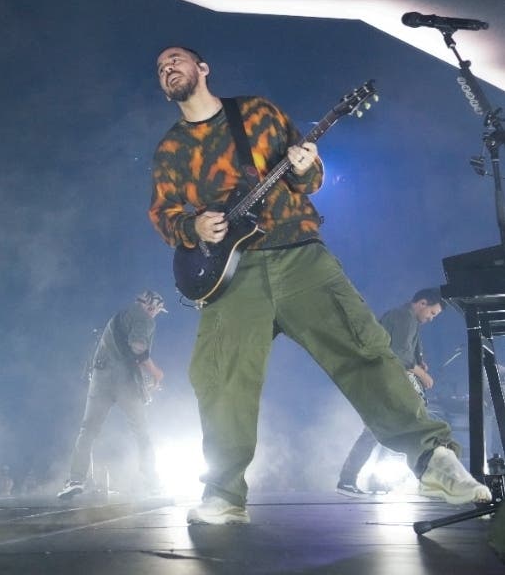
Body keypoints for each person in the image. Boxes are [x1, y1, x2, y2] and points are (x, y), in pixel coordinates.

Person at [148, 45, 490, 525]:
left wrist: (309, 165)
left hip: (298, 254)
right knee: (219, 376)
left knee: (364, 348)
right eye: (161, 66)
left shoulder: (257, 113)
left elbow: (308, 180)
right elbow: (164, 215)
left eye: (177, 58)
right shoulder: (170, 149)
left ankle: (433, 459)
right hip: (232, 275)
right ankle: (224, 493)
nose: (168, 66)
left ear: (202, 68)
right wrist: (195, 229)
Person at [58, 289, 167, 500]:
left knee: (88, 430)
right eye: (157, 311)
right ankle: (153, 483)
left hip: (99, 379)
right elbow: (137, 348)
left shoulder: (119, 317)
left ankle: (75, 480)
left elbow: (119, 353)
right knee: (141, 433)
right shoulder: (144, 318)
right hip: (123, 380)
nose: (155, 315)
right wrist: (156, 373)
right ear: (151, 306)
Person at [337, 287, 444, 495]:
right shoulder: (404, 317)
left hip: (383, 383)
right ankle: (349, 480)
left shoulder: (405, 317)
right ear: (422, 303)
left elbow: (405, 353)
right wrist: (422, 375)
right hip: (385, 384)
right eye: (432, 313)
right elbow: (399, 356)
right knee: (385, 432)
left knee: (382, 433)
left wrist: (419, 363)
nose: (431, 318)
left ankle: (356, 480)